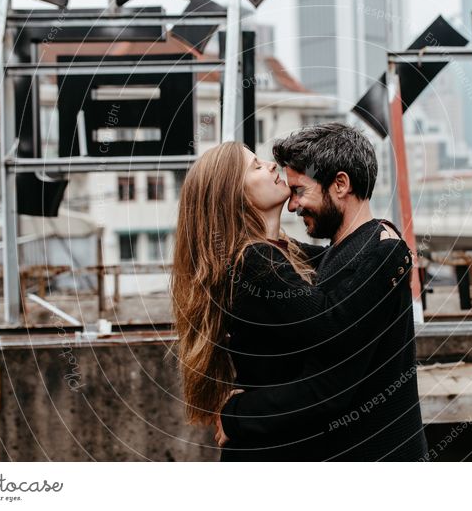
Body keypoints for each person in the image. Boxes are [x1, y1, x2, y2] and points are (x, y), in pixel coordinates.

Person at [172, 138, 414, 461]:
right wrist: (393, 255)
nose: (270, 166)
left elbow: (339, 256)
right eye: (256, 166)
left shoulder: (278, 251)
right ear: (233, 195)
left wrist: (382, 237)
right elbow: (328, 322)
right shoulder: (254, 262)